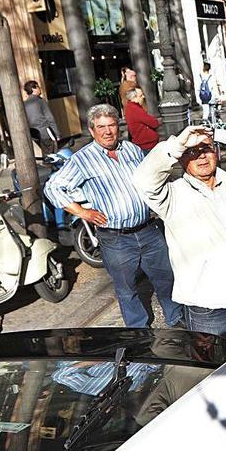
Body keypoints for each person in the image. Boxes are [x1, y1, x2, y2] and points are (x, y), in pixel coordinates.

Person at [44, 104, 182, 329]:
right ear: (92, 130)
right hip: (116, 238)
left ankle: (176, 321)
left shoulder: (132, 150)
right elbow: (53, 188)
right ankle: (139, 333)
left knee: (166, 278)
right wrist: (82, 212)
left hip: (148, 230)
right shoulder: (82, 159)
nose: (107, 131)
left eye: (111, 126)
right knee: (127, 289)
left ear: (118, 127)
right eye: (101, 127)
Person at [132, 126, 226, 355]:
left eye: (206, 149)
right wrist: (176, 145)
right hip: (206, 306)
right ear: (181, 159)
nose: (201, 156)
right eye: (192, 152)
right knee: (211, 373)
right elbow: (142, 180)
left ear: (216, 153)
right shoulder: (171, 195)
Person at [23, 80, 60, 155]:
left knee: (45, 154)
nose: (40, 88)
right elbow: (50, 118)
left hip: (34, 134)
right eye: (38, 87)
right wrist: (57, 133)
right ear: (33, 89)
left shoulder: (25, 104)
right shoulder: (40, 101)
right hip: (45, 132)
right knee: (53, 155)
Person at [124, 87, 160, 154]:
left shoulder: (132, 107)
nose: (143, 97)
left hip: (146, 144)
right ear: (134, 98)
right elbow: (154, 123)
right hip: (147, 145)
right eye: (140, 95)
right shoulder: (134, 109)